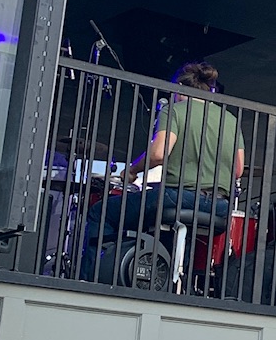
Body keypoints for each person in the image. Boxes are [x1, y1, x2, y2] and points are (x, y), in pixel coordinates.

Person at [83, 61, 244, 281]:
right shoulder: (230, 119)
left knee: (101, 212)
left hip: (178, 197)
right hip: (220, 206)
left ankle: (91, 279)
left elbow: (158, 153)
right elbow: (238, 170)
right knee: (182, 228)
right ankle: (174, 282)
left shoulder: (174, 111)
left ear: (179, 88)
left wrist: (132, 171)